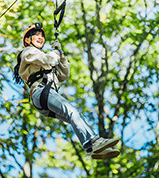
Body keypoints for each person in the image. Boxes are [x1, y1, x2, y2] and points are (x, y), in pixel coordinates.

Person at [13, 23, 120, 159]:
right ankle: (94, 140)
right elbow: (49, 59)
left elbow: (63, 75)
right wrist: (55, 53)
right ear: (28, 40)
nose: (40, 37)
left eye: (41, 35)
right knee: (72, 112)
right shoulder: (28, 52)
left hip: (45, 97)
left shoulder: (41, 63)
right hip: (41, 92)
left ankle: (93, 147)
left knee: (74, 116)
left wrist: (61, 54)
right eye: (35, 34)